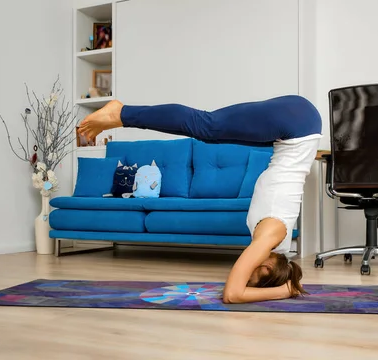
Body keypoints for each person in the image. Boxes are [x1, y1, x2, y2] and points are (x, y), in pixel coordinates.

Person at [77, 95, 322, 304]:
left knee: (210, 133)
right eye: (252, 276)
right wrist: (285, 291)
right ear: (266, 267)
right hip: (298, 126)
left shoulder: (272, 240)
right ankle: (120, 113)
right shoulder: (271, 236)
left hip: (296, 128)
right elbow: (233, 294)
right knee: (206, 126)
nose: (245, 272)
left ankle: (122, 113)